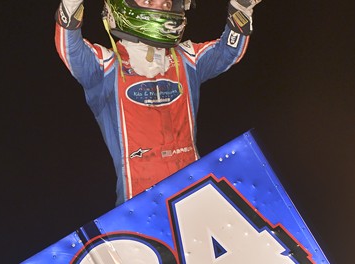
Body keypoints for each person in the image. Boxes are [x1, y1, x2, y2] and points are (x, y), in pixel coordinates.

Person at [55, 0, 262, 206]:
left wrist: (241, 8)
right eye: (150, 0)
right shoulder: (107, 67)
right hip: (140, 209)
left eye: (167, 2)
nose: (162, 5)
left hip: (196, 194)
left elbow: (227, 52)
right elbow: (70, 49)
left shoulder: (186, 58)